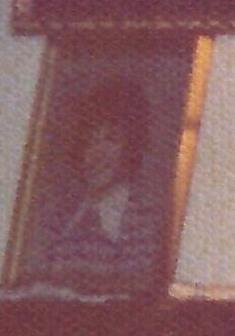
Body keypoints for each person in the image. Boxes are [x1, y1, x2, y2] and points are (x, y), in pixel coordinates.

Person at [25, 78, 161, 294]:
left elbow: (136, 293)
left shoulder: (142, 219)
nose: (97, 153)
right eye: (89, 140)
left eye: (111, 139)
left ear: (131, 147)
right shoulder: (60, 216)